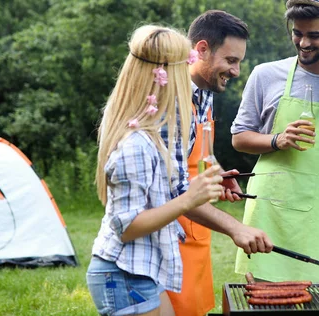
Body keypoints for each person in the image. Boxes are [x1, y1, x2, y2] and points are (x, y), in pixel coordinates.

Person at [86, 25, 225, 316]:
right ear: (166, 77)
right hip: (123, 273)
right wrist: (187, 200)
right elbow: (127, 226)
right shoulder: (136, 144)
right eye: (182, 70)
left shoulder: (150, 136)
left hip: (141, 270)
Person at [165, 10, 273, 316]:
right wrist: (235, 228)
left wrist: (217, 172)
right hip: (170, 233)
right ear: (201, 50)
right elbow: (173, 189)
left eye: (238, 61)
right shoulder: (173, 102)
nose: (237, 70)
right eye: (231, 60)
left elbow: (200, 152)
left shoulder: (205, 94)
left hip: (196, 227)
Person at [231, 0, 319, 282]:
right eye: (297, 33)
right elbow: (239, 137)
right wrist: (277, 139)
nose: (303, 43)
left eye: (314, 35)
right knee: (266, 301)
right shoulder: (266, 74)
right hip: (270, 209)